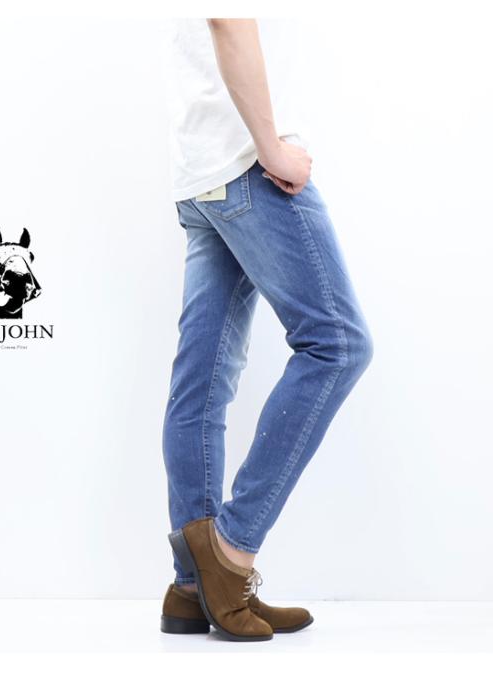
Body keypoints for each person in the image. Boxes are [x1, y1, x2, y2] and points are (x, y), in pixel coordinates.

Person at [159, 18, 374, 641]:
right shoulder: (258, 157)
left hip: (203, 172)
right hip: (249, 166)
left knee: (201, 381)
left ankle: (193, 587)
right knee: (338, 345)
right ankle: (230, 554)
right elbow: (229, 21)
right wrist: (271, 149)